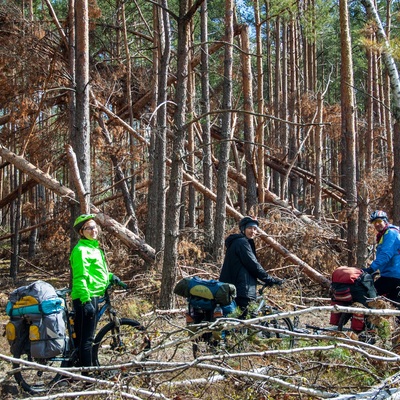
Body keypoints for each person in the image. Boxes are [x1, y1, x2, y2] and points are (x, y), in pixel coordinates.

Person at [70, 214, 127, 372]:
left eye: (95, 227)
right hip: (86, 297)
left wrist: (111, 277)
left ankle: (78, 369)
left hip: (95, 295)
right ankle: (87, 377)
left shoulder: (95, 249)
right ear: (82, 232)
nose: (93, 230)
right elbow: (80, 277)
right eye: (89, 228)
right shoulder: (81, 250)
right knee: (86, 340)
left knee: (86, 338)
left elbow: (98, 273)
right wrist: (86, 301)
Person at [219, 216, 283, 318]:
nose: (253, 231)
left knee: (239, 321)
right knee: (248, 321)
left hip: (234, 288)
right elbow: (253, 265)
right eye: (250, 228)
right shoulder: (242, 243)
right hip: (242, 290)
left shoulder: (239, 242)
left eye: (255, 229)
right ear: (243, 229)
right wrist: (268, 279)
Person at [362, 210, 400, 305]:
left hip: (394, 276)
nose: (377, 224)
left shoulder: (391, 233)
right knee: (393, 304)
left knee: (370, 296)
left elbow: (386, 254)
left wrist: (371, 268)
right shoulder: (384, 234)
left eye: (379, 221)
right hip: (389, 275)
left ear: (385, 221)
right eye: (375, 223)